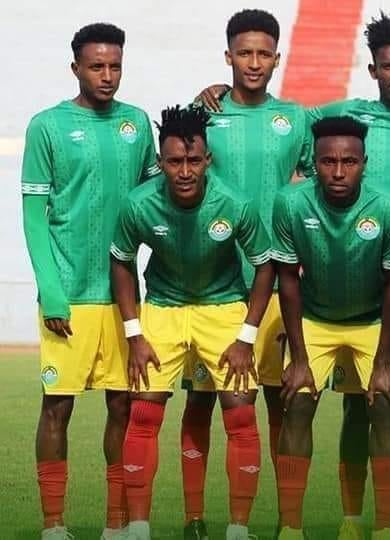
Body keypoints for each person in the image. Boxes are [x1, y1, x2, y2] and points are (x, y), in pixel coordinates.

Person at [175, 10, 314, 538]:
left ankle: (284, 521)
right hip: (211, 285)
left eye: (263, 54)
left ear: (277, 58)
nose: (253, 63)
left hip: (275, 282)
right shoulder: (203, 114)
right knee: (201, 399)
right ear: (228, 56)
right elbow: (173, 171)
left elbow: (316, 185)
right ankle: (193, 517)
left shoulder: (296, 118)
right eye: (244, 53)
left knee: (280, 400)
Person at [21, 22, 161, 540]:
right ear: (75, 68)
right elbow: (34, 217)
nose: (107, 75)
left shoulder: (136, 123)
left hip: (123, 297)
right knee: (57, 406)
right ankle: (53, 525)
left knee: (122, 405)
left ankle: (115, 524)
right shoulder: (47, 126)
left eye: (115, 66)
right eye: (97, 66)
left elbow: (157, 199)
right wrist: (52, 292)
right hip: (70, 295)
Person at [111, 105, 274, 540]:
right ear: (160, 162)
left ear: (208, 160)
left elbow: (265, 266)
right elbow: (121, 263)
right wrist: (134, 334)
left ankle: (238, 529)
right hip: (163, 308)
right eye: (174, 162)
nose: (185, 172)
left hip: (223, 309)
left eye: (194, 160)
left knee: (241, 414)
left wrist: (246, 336)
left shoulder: (235, 203)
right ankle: (139, 528)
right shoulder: (139, 204)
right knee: (143, 412)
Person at [271, 117, 390, 540]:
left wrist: (383, 363)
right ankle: (290, 528)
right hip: (314, 318)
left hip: (373, 320)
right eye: (327, 161)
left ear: (364, 163)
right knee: (297, 401)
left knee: (383, 403)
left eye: (348, 162)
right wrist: (298, 359)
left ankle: (382, 528)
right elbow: (287, 280)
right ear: (313, 163)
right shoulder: (290, 203)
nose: (337, 171)